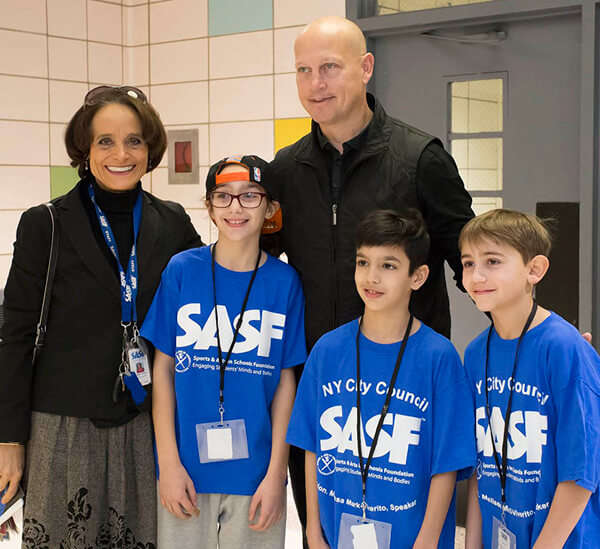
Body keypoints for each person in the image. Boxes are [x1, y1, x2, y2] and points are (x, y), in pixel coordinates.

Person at [269, 15, 474, 536]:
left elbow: (473, 261)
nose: (316, 84)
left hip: (408, 395)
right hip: (326, 389)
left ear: (365, 69)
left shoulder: (418, 159)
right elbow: (256, 266)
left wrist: (537, 329)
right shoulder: (286, 171)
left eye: (330, 68)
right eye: (303, 70)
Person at [0, 86, 203, 547]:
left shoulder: (173, 223)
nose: (121, 153)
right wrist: (8, 442)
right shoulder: (45, 224)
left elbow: (206, 305)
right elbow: (13, 337)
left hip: (144, 425)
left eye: (134, 140)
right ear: (84, 149)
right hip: (61, 427)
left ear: (149, 149)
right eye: (105, 141)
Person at [140, 155, 307, 549]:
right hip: (185, 473)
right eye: (223, 196)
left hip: (255, 476)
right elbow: (162, 370)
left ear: (270, 208)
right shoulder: (182, 270)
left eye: (250, 196)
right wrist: (168, 463)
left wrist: (276, 474)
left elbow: (286, 383)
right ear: (209, 207)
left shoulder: (284, 282)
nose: (236, 207)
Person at [286, 209, 476, 548]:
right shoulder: (328, 351)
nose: (371, 277)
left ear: (417, 277)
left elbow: (446, 465)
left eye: (388, 266)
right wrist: (313, 533)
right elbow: (312, 450)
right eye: (363, 263)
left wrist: (427, 542)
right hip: (335, 536)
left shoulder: (439, 357)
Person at [460, 209, 600, 549]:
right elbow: (482, 464)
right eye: (467, 263)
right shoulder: (477, 353)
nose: (476, 276)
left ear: (534, 270)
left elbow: (580, 476)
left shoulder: (564, 348)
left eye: (492, 261)